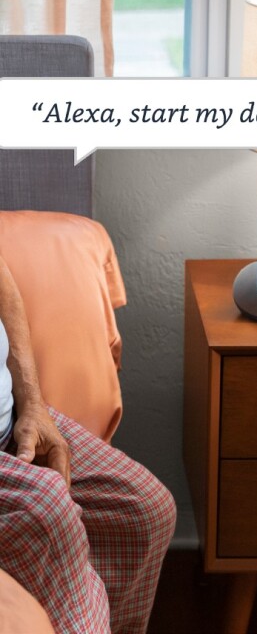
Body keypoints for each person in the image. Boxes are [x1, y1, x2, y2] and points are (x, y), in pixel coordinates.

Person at [0, 254, 176, 634]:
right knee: (46, 511)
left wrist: (32, 403)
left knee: (145, 510)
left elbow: (2, 283)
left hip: (12, 416)